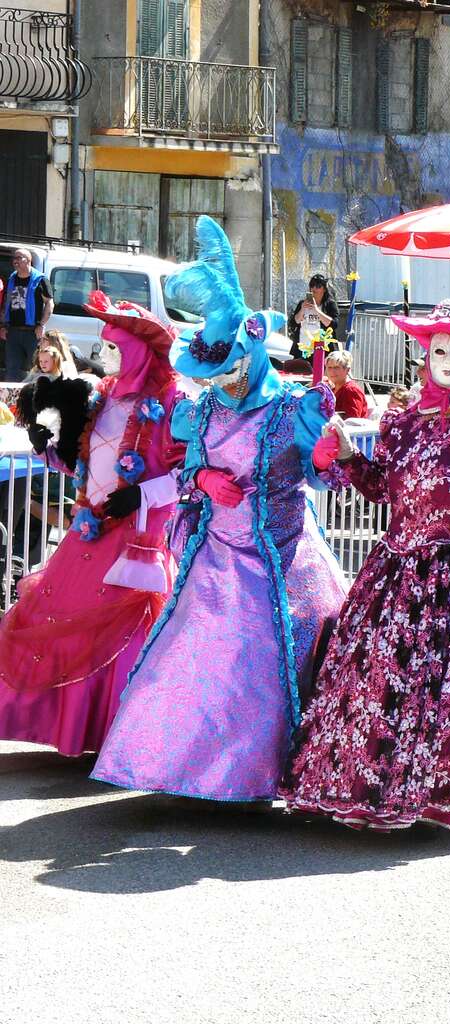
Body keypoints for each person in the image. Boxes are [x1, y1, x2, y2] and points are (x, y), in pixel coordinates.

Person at [91, 216, 347, 802]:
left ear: (253, 354)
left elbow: (321, 477)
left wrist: (329, 456)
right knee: (194, 657)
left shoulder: (293, 409)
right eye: (213, 373)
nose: (224, 383)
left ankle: (255, 776)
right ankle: (179, 770)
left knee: (262, 665)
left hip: (283, 558)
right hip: (216, 558)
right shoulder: (202, 411)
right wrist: (203, 477)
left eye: (231, 369)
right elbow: (185, 470)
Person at [280, 303, 450, 832]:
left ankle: (441, 792)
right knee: (383, 683)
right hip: (397, 572)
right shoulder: (402, 424)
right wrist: (348, 457)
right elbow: (385, 489)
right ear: (425, 357)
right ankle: (372, 786)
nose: (448, 360)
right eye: (439, 351)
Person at [0, 292, 186, 756]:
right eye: (109, 351)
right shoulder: (103, 396)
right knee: (59, 620)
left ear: (142, 351)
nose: (109, 359)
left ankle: (119, 739)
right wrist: (48, 448)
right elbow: (86, 467)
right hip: (90, 531)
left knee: (122, 633)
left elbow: (190, 474)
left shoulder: (173, 400)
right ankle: (68, 728)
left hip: (137, 536)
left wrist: (141, 494)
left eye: (118, 350)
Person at [0, 249, 54, 381]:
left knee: (36, 367)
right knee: (11, 369)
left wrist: (41, 325)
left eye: (19, 258)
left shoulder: (40, 280)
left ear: (28, 261)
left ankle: (37, 397)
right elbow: (6, 303)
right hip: (12, 331)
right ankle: (13, 400)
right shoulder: (12, 279)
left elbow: (49, 303)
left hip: (32, 333)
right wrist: (3, 326)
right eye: (14, 258)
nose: (15, 261)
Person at [288, 273, 339, 359]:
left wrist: (317, 310)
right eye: (312, 286)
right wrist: (302, 309)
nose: (314, 288)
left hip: (322, 349)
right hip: (303, 348)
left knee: (319, 371)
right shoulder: (302, 304)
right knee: (301, 371)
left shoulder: (330, 304)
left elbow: (333, 324)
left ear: (324, 289)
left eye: (318, 286)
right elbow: (294, 322)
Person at [325, 349, 369, 419]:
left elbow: (353, 420)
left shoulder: (351, 390)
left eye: (336, 367)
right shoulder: (333, 388)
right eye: (329, 367)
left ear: (347, 370)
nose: (332, 371)